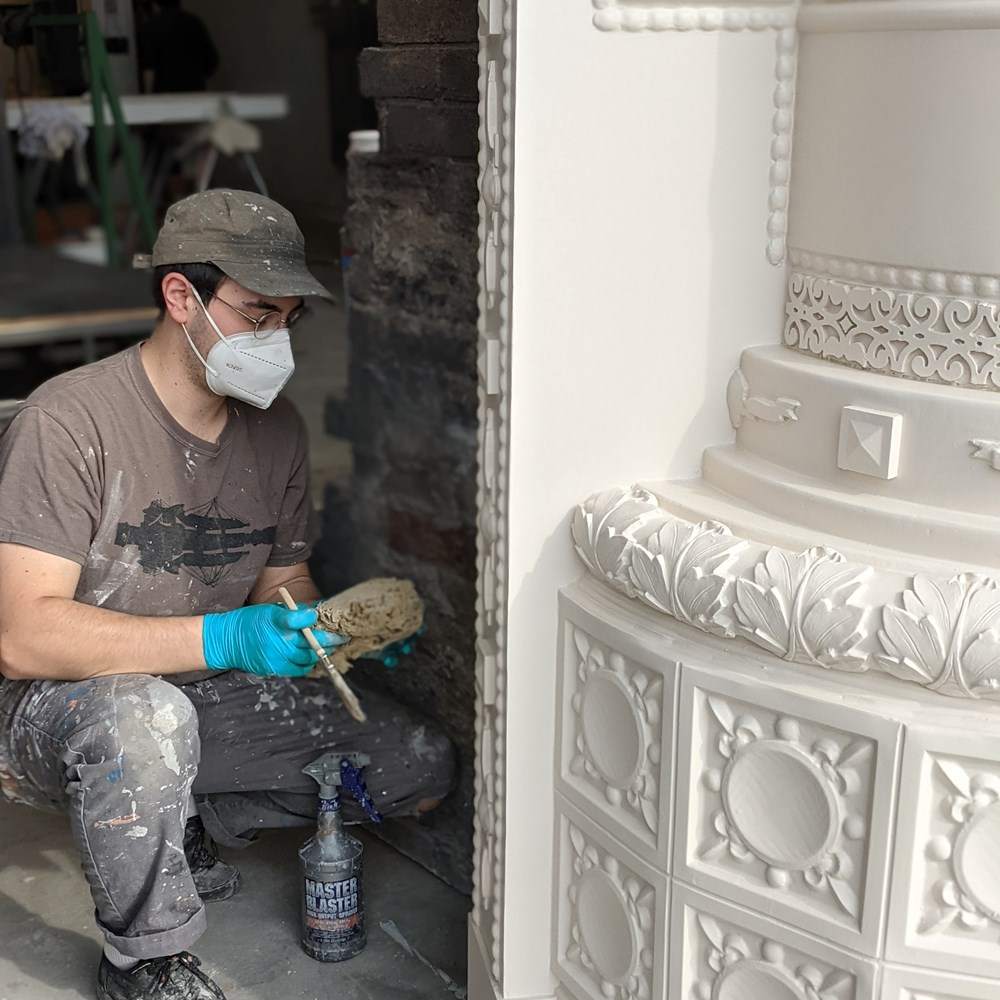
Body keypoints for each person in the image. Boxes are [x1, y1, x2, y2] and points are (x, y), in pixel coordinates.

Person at [0, 189, 455, 1000]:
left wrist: (323, 627)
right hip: (62, 703)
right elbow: (23, 637)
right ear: (181, 297)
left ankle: (187, 816)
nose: (276, 340)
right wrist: (227, 638)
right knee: (146, 719)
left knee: (416, 765)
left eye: (288, 320)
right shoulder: (67, 422)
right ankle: (145, 959)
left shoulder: (275, 431)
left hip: (203, 695)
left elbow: (282, 580)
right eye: (257, 314)